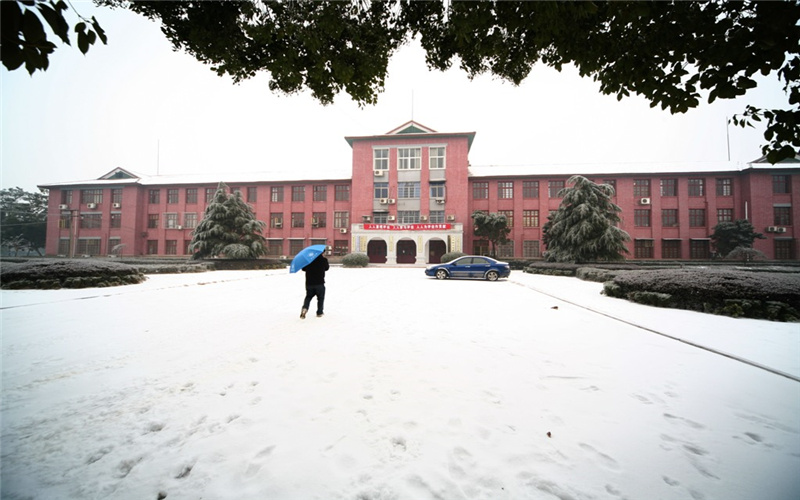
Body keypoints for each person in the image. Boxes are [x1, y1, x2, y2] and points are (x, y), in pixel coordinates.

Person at [300, 253, 329, 318]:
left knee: (308, 297)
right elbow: (327, 268)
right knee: (320, 298)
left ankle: (305, 308)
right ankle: (319, 312)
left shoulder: (308, 260)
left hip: (309, 283)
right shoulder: (323, 260)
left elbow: (303, 268)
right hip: (319, 283)